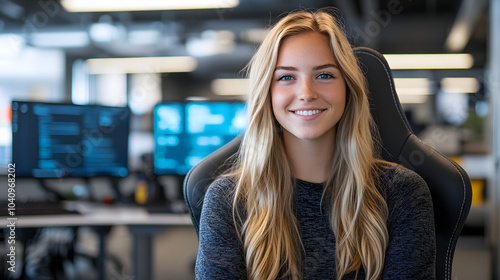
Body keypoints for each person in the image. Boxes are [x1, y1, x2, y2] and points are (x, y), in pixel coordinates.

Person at [195, 10, 436, 280]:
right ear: (267, 93)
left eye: (324, 76)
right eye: (286, 77)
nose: (307, 93)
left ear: (348, 88)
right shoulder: (229, 200)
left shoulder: (401, 194)